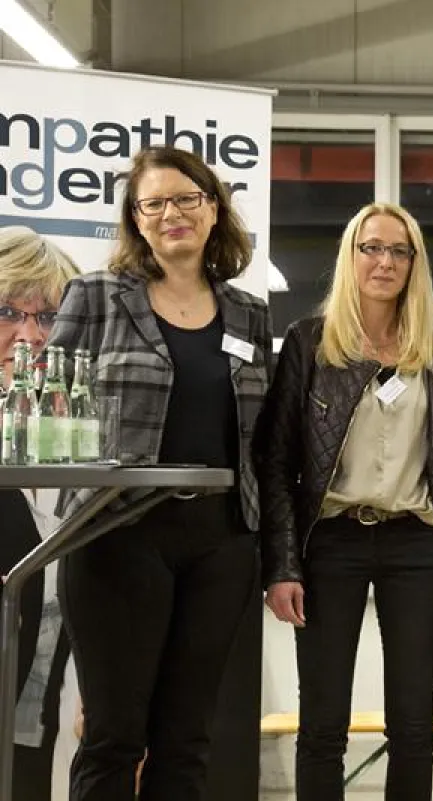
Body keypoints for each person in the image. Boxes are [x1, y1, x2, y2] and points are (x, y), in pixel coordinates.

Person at [46, 145, 272, 801]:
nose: (172, 213)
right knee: (114, 733)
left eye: (186, 199)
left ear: (212, 208)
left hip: (220, 542)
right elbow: (56, 402)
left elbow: (261, 438)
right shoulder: (95, 296)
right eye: (155, 203)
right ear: (136, 218)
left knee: (187, 738)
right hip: (115, 531)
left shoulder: (249, 312)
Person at [256, 202, 433, 801]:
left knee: (413, 725)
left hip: (418, 544)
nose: (384, 261)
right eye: (371, 248)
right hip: (330, 541)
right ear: (350, 256)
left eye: (398, 251)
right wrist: (281, 564)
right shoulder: (311, 342)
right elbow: (276, 462)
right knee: (323, 723)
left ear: (414, 264)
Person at [0, 225, 80, 801]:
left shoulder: (76, 425)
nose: (29, 334)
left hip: (43, 685)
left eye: (47, 317)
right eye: (9, 312)